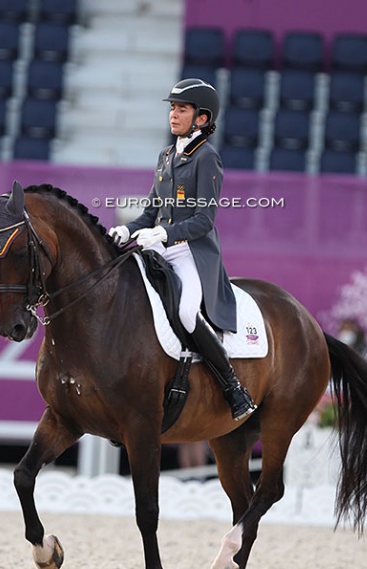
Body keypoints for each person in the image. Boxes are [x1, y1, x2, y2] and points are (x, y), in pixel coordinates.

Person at [109, 78, 255, 421]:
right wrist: (126, 229)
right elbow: (149, 211)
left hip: (191, 253)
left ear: (201, 118)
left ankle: (234, 388)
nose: (174, 114)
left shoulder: (207, 158)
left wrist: (163, 233)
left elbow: (204, 219)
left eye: (182, 109)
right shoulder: (165, 155)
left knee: (188, 312)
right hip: (160, 249)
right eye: (172, 108)